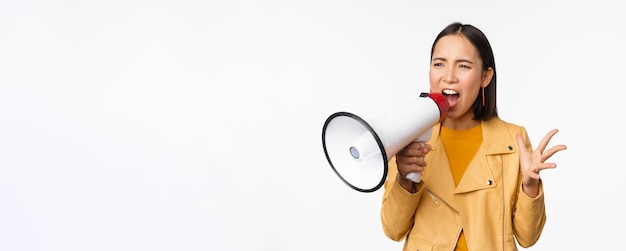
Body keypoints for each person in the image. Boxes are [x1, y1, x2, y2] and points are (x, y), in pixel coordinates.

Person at [380, 22, 567, 251]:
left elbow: (528, 238)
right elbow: (393, 229)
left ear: (485, 77)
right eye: (439, 64)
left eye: (463, 66)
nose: (449, 77)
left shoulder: (513, 139)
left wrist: (530, 186)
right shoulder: (408, 136)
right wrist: (404, 179)